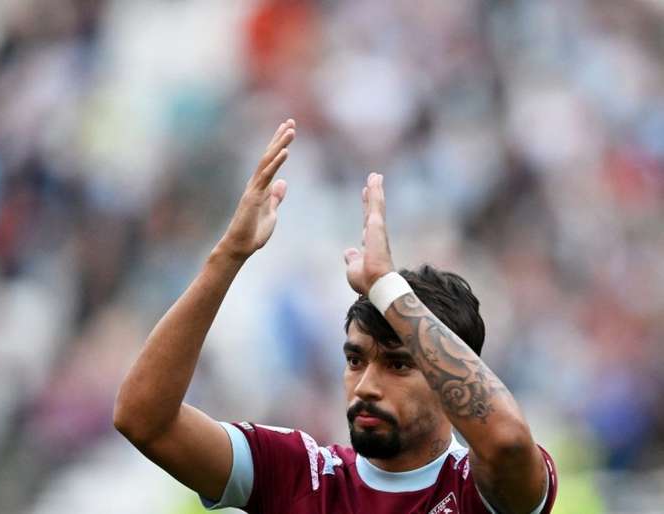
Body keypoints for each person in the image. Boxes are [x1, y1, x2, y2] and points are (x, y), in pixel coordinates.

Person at [113, 119, 558, 513]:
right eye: (355, 359)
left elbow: (506, 442)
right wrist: (228, 256)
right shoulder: (296, 474)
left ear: (447, 377)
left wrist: (386, 287)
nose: (365, 385)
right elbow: (143, 419)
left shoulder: (476, 490)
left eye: (399, 364)